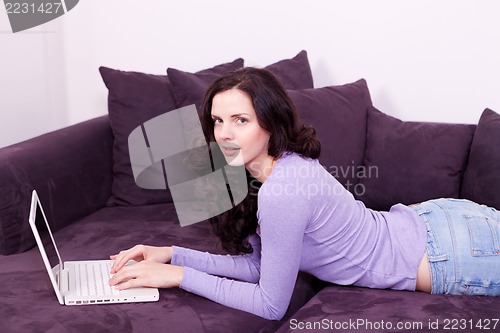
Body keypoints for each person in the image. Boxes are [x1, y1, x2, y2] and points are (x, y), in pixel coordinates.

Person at [109, 67, 500, 320]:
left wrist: (177, 276)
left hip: (454, 250)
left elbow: (269, 303)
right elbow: (260, 267)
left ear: (269, 122)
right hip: (434, 222)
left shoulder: (282, 190)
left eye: (240, 120)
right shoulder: (275, 166)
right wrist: (172, 255)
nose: (224, 134)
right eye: (217, 121)